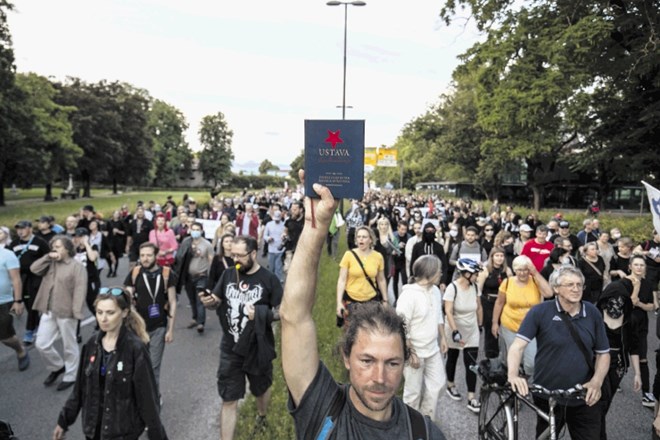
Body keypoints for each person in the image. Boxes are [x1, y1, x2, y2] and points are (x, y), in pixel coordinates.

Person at [279, 177, 447, 439]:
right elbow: (294, 316)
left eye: (392, 363)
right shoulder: (322, 409)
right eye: (367, 361)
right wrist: (316, 226)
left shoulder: (424, 433)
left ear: (405, 361)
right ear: (346, 357)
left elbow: (382, 278)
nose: (379, 378)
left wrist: (384, 298)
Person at [508, 266, 610, 440]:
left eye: (579, 284)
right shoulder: (540, 312)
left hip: (584, 396)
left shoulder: (592, 313)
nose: (576, 289)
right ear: (556, 288)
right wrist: (513, 375)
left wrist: (596, 382)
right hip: (547, 395)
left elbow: (603, 353)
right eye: (570, 284)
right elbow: (517, 346)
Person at [52, 286, 168, 440]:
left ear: (125, 312)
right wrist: (63, 421)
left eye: (110, 313)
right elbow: (79, 390)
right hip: (93, 432)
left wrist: (158, 436)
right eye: (99, 312)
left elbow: (148, 400)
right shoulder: (91, 345)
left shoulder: (135, 349)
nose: (103, 318)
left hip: (123, 434)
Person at [200, 235, 282, 440]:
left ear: (253, 254)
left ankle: (262, 416)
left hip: (257, 347)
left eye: (240, 255)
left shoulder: (269, 279)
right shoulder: (228, 275)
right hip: (231, 348)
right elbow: (217, 300)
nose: (235, 259)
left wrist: (264, 313)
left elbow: (283, 311)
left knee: (261, 388)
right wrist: (209, 302)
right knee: (229, 399)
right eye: (232, 254)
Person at [31, 235, 87, 391]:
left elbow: (80, 290)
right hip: (48, 310)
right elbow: (33, 269)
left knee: (69, 346)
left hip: (67, 312)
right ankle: (57, 367)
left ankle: (71, 375)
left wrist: (76, 312)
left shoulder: (77, 267)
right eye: (53, 246)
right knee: (41, 344)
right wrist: (47, 257)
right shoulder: (50, 263)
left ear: (68, 249)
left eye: (59, 246)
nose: (55, 249)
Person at [396, 255, 448, 421]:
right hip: (414, 351)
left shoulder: (435, 291)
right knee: (413, 393)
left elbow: (438, 315)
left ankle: (426, 421)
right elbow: (402, 326)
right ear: (429, 272)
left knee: (438, 384)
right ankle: (410, 426)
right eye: (438, 270)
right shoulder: (409, 296)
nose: (441, 273)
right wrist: (410, 352)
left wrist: (443, 338)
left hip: (432, 349)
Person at [124, 242, 177, 391]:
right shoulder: (135, 273)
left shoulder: (166, 274)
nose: (145, 259)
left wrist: (170, 330)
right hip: (137, 328)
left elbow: (172, 302)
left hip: (158, 327)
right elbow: (127, 299)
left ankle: (153, 399)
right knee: (137, 365)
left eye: (149, 255)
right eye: (142, 255)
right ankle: (140, 397)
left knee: (153, 367)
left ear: (156, 256)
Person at [491, 255, 552, 378]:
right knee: (514, 359)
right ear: (514, 270)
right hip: (510, 325)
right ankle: (515, 383)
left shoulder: (535, 281)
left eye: (525, 269)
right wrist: (494, 323)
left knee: (531, 362)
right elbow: (499, 302)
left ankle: (528, 379)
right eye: (519, 270)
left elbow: (549, 293)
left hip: (531, 327)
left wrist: (535, 273)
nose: (522, 273)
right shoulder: (507, 282)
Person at [597, 274, 642, 439]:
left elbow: (634, 348)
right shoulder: (595, 315)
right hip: (595, 362)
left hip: (618, 365)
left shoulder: (631, 320)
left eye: (620, 298)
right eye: (613, 298)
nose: (616, 302)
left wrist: (637, 373)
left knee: (605, 402)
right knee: (596, 402)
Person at [444, 258, 483, 413]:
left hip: (471, 328)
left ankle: (471, 398)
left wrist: (479, 326)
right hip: (455, 328)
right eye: (475, 274)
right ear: (466, 273)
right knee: (452, 358)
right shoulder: (452, 288)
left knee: (471, 364)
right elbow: (448, 311)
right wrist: (455, 331)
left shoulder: (475, 287)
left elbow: (478, 307)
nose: (477, 277)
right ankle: (450, 384)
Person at [336, 225, 388, 324]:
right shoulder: (348, 255)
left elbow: (381, 280)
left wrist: (385, 300)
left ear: (371, 240)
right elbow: (341, 280)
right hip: (351, 302)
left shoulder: (378, 257)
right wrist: (339, 303)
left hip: (371, 302)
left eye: (364, 237)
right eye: (359, 237)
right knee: (352, 334)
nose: (361, 239)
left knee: (370, 332)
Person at [10, 219, 49, 346]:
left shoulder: (40, 242)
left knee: (32, 304)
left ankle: (29, 331)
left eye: (23, 228)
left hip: (36, 277)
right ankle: (38, 325)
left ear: (30, 229)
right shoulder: (14, 243)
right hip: (21, 278)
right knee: (27, 304)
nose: (20, 231)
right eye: (18, 229)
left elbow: (48, 257)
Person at [174, 222, 214, 333]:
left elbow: (211, 260)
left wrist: (211, 276)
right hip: (188, 276)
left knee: (200, 299)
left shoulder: (207, 245)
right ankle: (195, 318)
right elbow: (179, 257)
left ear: (201, 231)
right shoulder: (186, 242)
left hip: (201, 275)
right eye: (193, 229)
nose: (195, 231)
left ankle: (201, 323)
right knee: (192, 299)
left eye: (198, 229)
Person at [477, 247, 513, 360]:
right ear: (492, 257)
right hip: (488, 302)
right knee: (491, 331)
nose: (499, 258)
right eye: (497, 256)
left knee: (505, 330)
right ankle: (491, 358)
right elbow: (478, 289)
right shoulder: (485, 270)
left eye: (501, 256)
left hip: (504, 303)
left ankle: (508, 357)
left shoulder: (507, 271)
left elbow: (512, 288)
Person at [0, 237, 30, 371]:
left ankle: (20, 350)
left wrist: (18, 301)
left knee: (6, 337)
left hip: (5, 302)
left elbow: (16, 280)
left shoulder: (7, 254)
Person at [263, 210, 285, 283]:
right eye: (275, 219)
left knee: (278, 266)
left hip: (280, 248)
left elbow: (286, 235)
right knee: (271, 266)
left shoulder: (284, 224)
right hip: (271, 248)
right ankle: (270, 279)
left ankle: (278, 279)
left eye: (278, 219)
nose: (276, 221)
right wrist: (268, 238)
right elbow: (265, 236)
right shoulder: (269, 224)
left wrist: (284, 238)